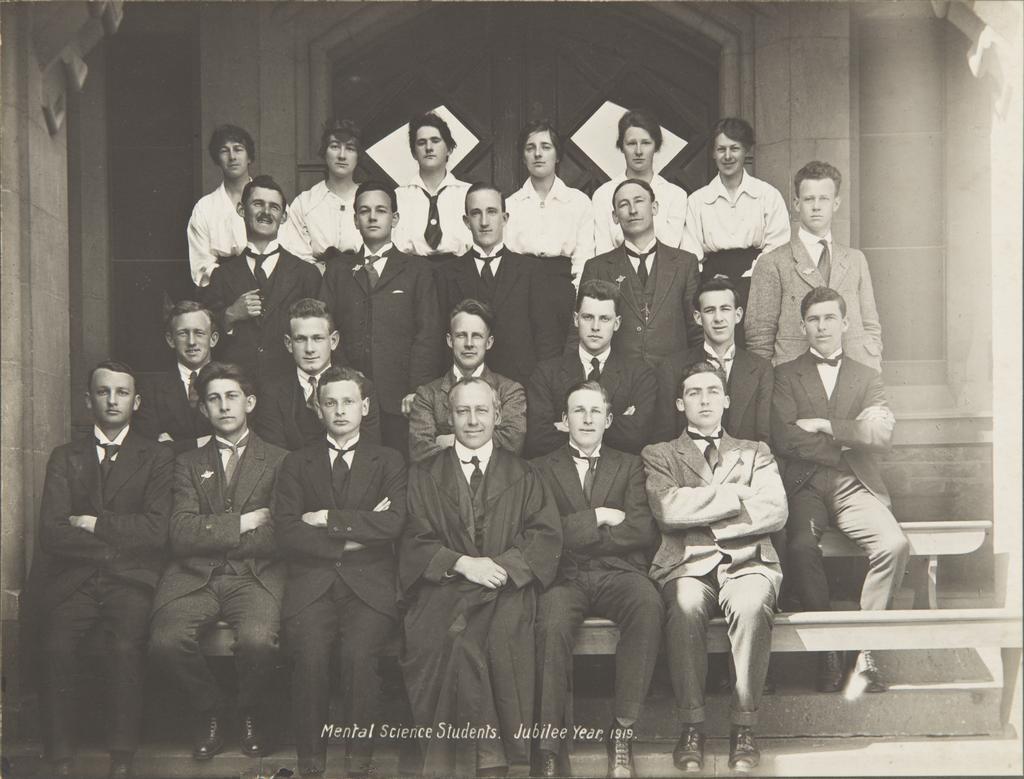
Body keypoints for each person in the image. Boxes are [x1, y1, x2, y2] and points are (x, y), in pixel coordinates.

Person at [400, 377, 562, 777]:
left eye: (481, 411)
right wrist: (461, 563)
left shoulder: (525, 474)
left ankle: (494, 760)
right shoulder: (423, 475)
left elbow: (544, 535)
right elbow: (414, 537)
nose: (472, 421)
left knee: (497, 638)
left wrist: (504, 567)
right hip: (446, 586)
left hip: (505, 587)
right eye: (462, 411)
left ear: (498, 415)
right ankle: (481, 764)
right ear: (448, 417)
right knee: (447, 639)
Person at [28, 361, 173, 778]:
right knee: (55, 648)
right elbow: (52, 532)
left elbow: (156, 529)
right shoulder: (64, 456)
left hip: (131, 582)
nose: (112, 400)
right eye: (104, 392)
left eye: (122, 392)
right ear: (88, 399)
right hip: (72, 582)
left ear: (136, 401)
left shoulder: (157, 457)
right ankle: (60, 759)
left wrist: (93, 526)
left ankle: (122, 758)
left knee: (127, 649)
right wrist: (114, 549)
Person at [642, 360, 787, 773]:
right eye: (693, 393)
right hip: (687, 563)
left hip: (748, 561)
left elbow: (775, 510)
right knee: (685, 607)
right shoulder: (660, 454)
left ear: (726, 400)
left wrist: (700, 508)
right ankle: (692, 725)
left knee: (753, 604)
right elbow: (667, 509)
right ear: (679, 403)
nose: (704, 400)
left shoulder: (755, 451)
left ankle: (744, 727)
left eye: (711, 392)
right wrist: (733, 496)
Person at [272, 366, 407, 778]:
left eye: (349, 401)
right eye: (330, 402)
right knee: (310, 658)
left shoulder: (389, 460)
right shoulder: (297, 463)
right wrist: (360, 528)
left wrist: (327, 518)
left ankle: (357, 764)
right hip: (312, 586)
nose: (340, 410)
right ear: (318, 408)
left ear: (365, 407)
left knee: (358, 657)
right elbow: (288, 531)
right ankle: (311, 764)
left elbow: (395, 524)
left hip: (370, 587)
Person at [149, 362, 287, 761]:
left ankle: (249, 710)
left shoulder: (280, 460)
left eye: (232, 397)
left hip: (255, 576)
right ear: (203, 409)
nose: (224, 406)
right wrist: (243, 523)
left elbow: (278, 533)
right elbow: (179, 532)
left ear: (250, 402)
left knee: (259, 642)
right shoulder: (187, 462)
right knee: (165, 641)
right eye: (214, 399)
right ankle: (210, 709)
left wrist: (210, 536)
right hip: (193, 578)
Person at [771, 287, 907, 692]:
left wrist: (828, 425)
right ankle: (826, 651)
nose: (822, 326)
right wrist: (847, 441)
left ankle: (866, 649)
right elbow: (784, 437)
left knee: (894, 544)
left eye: (830, 318)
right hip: (804, 485)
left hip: (854, 486)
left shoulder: (867, 377)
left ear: (845, 324)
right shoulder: (785, 374)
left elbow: (880, 434)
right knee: (799, 547)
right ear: (802, 326)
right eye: (814, 319)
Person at [531, 381, 663, 779]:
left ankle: (622, 732)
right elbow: (545, 533)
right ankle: (550, 749)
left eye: (594, 412)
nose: (586, 419)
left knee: (648, 605)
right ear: (563, 420)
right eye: (578, 411)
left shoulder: (630, 464)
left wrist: (579, 536)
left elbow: (641, 529)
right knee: (550, 622)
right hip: (565, 577)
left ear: (608, 420)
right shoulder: (540, 468)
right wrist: (601, 516)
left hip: (619, 574)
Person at [320, 181, 444, 455]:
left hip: (400, 398)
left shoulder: (417, 270)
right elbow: (325, 329)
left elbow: (428, 333)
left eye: (381, 210)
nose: (372, 217)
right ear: (355, 220)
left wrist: (417, 390)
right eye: (364, 211)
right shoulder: (338, 271)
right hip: (349, 397)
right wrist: (345, 375)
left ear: (395, 218)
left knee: (397, 466)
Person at [747, 161, 883, 371]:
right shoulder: (772, 263)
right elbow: (760, 337)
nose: (816, 206)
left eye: (824, 199)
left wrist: (871, 362)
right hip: (795, 380)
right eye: (809, 199)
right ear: (796, 203)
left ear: (836, 204)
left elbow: (870, 325)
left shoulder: (856, 260)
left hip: (853, 376)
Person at [437, 183, 562, 386]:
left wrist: (544, 390)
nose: (484, 222)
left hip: (522, 386)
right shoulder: (445, 274)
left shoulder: (532, 271)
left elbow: (547, 340)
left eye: (492, 212)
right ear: (466, 221)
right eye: (476, 214)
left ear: (505, 218)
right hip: (464, 389)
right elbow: (439, 340)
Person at [204, 175, 322, 386]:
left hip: (290, 389)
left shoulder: (306, 273)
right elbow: (207, 340)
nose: (266, 212)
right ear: (241, 210)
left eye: (274, 207)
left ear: (284, 217)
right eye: (258, 204)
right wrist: (230, 315)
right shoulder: (221, 275)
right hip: (239, 388)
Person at [681, 117, 790, 346]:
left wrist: (743, 282)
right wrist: (713, 286)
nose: (728, 156)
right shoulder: (698, 201)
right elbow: (690, 255)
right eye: (721, 149)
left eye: (735, 148)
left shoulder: (767, 195)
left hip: (757, 284)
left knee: (755, 346)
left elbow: (777, 247)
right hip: (712, 285)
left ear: (746, 151)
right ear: (713, 153)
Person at [527, 279, 656, 457]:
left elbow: (635, 436)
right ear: (575, 319)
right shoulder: (546, 373)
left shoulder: (639, 374)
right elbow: (539, 438)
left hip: (618, 476)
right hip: (560, 474)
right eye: (588, 317)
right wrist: (616, 422)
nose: (595, 327)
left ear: (617, 323)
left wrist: (569, 426)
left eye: (604, 318)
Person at [579, 179, 701, 366]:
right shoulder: (597, 267)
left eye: (639, 201)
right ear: (615, 216)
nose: (633, 210)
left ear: (654, 208)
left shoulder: (685, 263)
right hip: (618, 382)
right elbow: (580, 331)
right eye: (624, 204)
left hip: (674, 378)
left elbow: (697, 329)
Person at [654, 277, 772, 444]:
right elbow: (664, 438)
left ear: (737, 315)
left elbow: (764, 438)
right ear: (697, 317)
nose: (718, 318)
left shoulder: (761, 369)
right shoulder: (673, 367)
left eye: (725, 309)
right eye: (709, 310)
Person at [252, 297, 381, 450]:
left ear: (333, 341)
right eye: (300, 339)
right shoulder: (271, 393)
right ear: (289, 344)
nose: (309, 349)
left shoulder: (361, 387)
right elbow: (275, 456)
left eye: (318, 338)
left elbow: (367, 453)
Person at [408, 298, 526, 463]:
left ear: (489, 342)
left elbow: (511, 444)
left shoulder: (509, 391)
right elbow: (420, 452)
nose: (469, 344)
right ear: (450, 341)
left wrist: (447, 441)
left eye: (477, 336)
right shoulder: (427, 394)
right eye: (461, 335)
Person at [505, 119, 595, 334]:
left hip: (564, 291)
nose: (538, 154)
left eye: (546, 147)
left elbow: (584, 258)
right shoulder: (510, 204)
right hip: (520, 293)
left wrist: (575, 300)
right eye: (530, 148)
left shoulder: (578, 201)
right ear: (523, 157)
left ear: (557, 155)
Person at [592, 109, 688, 253]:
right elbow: (603, 251)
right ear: (622, 147)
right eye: (631, 143)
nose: (638, 151)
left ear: (656, 146)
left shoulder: (675, 195)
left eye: (646, 143)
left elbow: (671, 248)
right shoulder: (603, 195)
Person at [280, 119, 364, 271]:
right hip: (318, 283)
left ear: (358, 156)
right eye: (334, 147)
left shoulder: (371, 199)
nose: (342, 156)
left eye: (350, 148)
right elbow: (297, 256)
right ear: (324, 152)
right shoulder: (305, 202)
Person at [133, 301, 217, 454]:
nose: (191, 342)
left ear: (213, 339)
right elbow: (149, 449)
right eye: (183, 333)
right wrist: (201, 443)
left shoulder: (232, 383)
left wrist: (174, 446)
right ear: (170, 340)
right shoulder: (150, 390)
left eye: (199, 333)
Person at [392, 111, 472, 263]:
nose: (428, 147)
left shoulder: (468, 194)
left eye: (435, 140)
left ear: (448, 148)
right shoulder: (398, 197)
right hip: (412, 275)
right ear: (414, 153)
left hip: (459, 274)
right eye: (421, 143)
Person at [187, 124, 254, 289]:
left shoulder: (270, 199)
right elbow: (201, 268)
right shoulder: (204, 207)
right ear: (217, 159)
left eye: (238, 149)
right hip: (222, 292)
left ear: (249, 157)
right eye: (224, 151)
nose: (232, 157)